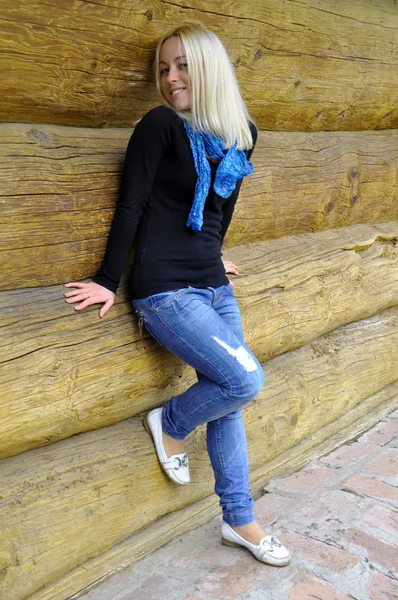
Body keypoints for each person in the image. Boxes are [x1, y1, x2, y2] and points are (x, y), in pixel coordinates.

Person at [64, 22, 291, 567]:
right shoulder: (159, 125)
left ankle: (240, 521)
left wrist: (215, 256)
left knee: (230, 398)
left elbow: (220, 211)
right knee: (245, 380)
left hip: (212, 286)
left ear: (210, 68)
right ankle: (170, 423)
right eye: (164, 68)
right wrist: (104, 279)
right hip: (165, 291)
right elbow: (132, 205)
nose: (170, 78)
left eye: (183, 65)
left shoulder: (240, 134)